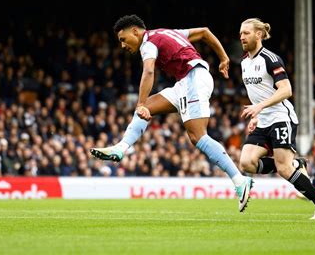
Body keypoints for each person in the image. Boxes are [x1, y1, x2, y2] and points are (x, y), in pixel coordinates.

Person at [90, 14, 253, 212]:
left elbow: (149, 71)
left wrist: (140, 102)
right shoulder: (167, 33)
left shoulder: (148, 43)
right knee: (147, 108)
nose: (123, 46)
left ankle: (239, 180)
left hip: (193, 79)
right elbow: (204, 32)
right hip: (186, 81)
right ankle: (121, 148)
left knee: (197, 136)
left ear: (135, 31)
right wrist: (223, 57)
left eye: (123, 40)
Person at [237, 18, 315, 220]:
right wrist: (256, 114)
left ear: (259, 34)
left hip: (281, 118)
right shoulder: (245, 62)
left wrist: (260, 107)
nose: (242, 37)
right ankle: (295, 164)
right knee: (246, 162)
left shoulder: (270, 59)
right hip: (263, 120)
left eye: (246, 33)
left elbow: (287, 90)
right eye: (240, 33)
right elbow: (259, 93)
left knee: (283, 168)